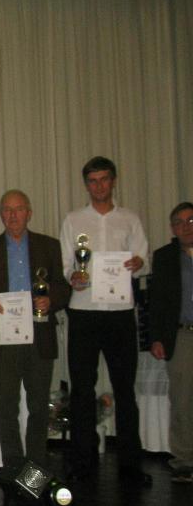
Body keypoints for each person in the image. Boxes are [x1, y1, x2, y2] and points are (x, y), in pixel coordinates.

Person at [60, 156, 151, 485]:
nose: (98, 186)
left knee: (125, 390)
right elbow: (67, 265)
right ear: (86, 184)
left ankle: (130, 465)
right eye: (92, 180)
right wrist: (73, 277)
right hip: (83, 312)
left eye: (104, 179)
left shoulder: (130, 219)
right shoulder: (73, 220)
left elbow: (143, 259)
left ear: (113, 181)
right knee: (82, 390)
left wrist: (138, 263)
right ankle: (83, 462)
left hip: (120, 313)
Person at [0, 190, 69, 470]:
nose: (13, 215)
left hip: (39, 335)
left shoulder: (49, 246)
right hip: (2, 337)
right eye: (7, 209)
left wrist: (51, 300)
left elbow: (63, 287)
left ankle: (35, 470)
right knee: (7, 407)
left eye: (18, 209)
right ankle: (13, 468)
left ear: (29, 213)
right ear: (0, 214)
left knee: (39, 408)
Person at [149, 202, 193, 483]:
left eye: (191, 221)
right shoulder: (164, 257)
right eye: (179, 222)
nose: (185, 227)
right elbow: (157, 300)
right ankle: (184, 460)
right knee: (182, 400)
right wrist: (156, 337)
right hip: (182, 335)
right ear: (172, 229)